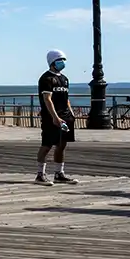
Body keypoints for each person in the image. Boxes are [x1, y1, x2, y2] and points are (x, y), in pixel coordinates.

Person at [36, 49, 79, 186]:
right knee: (47, 145)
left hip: (65, 116)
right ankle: (40, 174)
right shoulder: (46, 78)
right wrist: (54, 117)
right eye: (60, 60)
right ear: (52, 62)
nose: (62, 63)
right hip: (51, 117)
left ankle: (59, 173)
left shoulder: (64, 79)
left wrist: (71, 114)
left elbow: (66, 99)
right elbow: (47, 99)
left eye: (64, 60)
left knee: (62, 145)